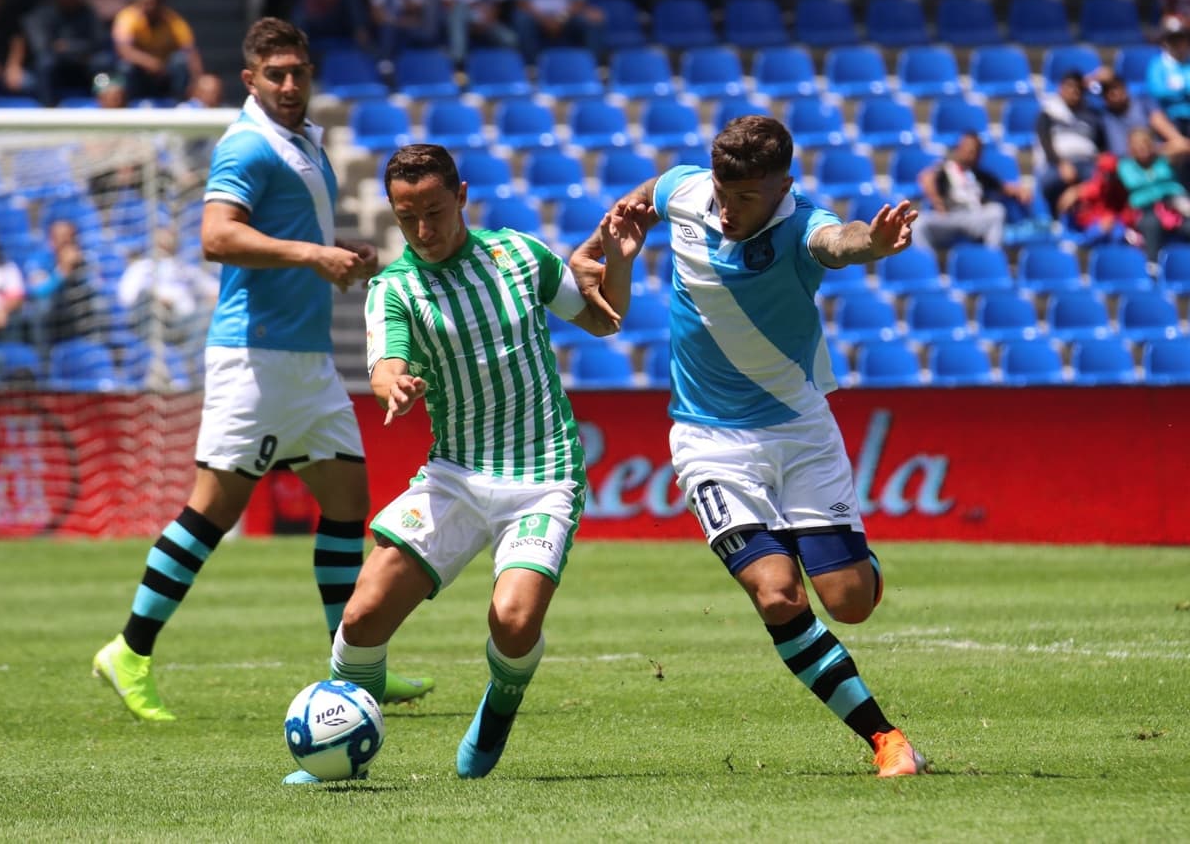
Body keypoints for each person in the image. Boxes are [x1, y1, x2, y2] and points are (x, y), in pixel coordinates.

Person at [91, 17, 434, 731]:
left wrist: (332, 251)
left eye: (297, 73)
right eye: (274, 74)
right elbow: (216, 236)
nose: (287, 84)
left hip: (303, 359)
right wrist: (312, 258)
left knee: (347, 502)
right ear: (250, 79)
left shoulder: (302, 140)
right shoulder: (247, 144)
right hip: (255, 359)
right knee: (212, 512)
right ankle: (129, 651)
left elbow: (280, 236)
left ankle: (354, 667)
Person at [569, 115, 928, 778]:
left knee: (849, 602)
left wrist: (873, 244)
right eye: (723, 194)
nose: (729, 211)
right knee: (777, 595)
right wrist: (598, 243)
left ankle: (837, 553)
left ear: (783, 186)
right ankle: (886, 739)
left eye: (747, 199)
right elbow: (649, 192)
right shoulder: (686, 190)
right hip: (708, 441)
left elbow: (840, 241)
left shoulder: (800, 228)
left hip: (799, 433)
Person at [323, 142, 633, 783]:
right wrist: (394, 385)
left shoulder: (520, 256)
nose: (424, 230)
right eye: (407, 218)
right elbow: (384, 365)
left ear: (462, 197)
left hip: (544, 472)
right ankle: (342, 743)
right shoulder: (395, 288)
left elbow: (605, 321)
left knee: (514, 622)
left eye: (435, 211)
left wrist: (621, 263)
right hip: (456, 474)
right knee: (361, 615)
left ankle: (500, 707)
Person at [913, 131, 1032, 257]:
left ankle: (992, 260)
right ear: (960, 148)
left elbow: (1004, 188)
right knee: (919, 223)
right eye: (968, 148)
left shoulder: (980, 175)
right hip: (949, 216)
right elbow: (926, 178)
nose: (971, 153)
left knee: (997, 211)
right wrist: (937, 201)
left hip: (974, 216)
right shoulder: (944, 168)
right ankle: (927, 265)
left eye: (975, 150)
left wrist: (1021, 191)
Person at [1035, 70, 1109, 217]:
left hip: (1088, 163)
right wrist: (1061, 164)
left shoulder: (1093, 115)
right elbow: (1046, 144)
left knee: (1104, 181)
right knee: (1049, 182)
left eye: (1078, 88)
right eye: (1070, 86)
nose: (1074, 91)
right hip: (1058, 165)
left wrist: (1079, 189)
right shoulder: (1048, 113)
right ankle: (1056, 220)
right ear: (1061, 88)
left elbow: (1102, 147)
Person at [22, 0, 114, 107]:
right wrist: (67, 50)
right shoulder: (44, 13)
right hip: (58, 64)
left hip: (84, 61)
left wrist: (69, 47)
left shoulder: (88, 13)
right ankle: (49, 106)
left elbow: (98, 41)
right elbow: (41, 46)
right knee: (45, 63)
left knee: (103, 61)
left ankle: (104, 103)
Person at [111, 0, 203, 103]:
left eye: (153, 2)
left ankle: (178, 103)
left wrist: (197, 80)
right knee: (125, 67)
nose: (150, 6)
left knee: (180, 61)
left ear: (161, 3)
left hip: (165, 72)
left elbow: (191, 52)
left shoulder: (173, 21)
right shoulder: (127, 17)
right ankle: (129, 104)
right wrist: (149, 63)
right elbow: (123, 50)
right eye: (146, 2)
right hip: (139, 71)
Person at [1118, 127, 1190, 265]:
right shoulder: (1125, 166)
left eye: (1145, 143)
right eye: (1137, 145)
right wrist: (1159, 194)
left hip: (1173, 206)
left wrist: (1160, 149)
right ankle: (1152, 264)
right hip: (1145, 210)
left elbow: (1183, 146)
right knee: (1151, 224)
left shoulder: (1165, 160)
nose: (1141, 148)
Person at [509, 0, 604, 65]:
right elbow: (522, 1)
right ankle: (531, 68)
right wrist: (544, 20)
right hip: (535, 16)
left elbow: (579, 1)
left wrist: (560, 19)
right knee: (523, 20)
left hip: (567, 17)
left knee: (594, 20)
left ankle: (592, 68)